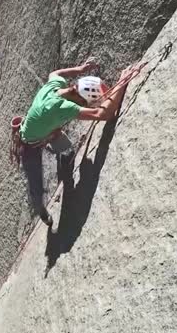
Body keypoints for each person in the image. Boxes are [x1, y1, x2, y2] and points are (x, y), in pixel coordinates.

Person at [18, 59, 142, 227]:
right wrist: (122, 82)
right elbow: (101, 114)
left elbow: (56, 73)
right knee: (36, 189)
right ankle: (40, 209)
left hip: (44, 128)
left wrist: (81, 68)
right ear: (82, 101)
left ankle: (59, 154)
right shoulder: (63, 108)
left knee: (65, 147)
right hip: (28, 146)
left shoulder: (53, 88)